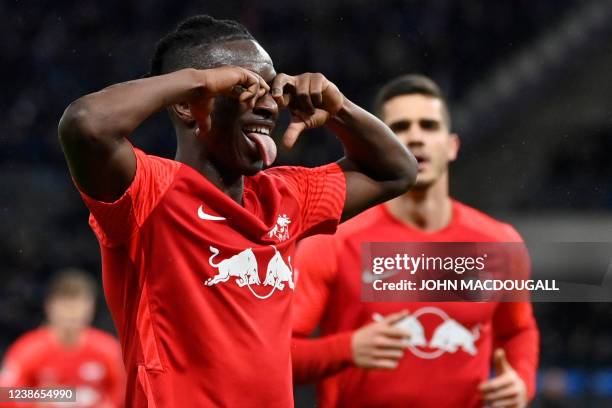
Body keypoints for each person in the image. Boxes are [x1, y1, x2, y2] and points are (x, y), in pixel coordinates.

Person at [57, 15, 416, 407]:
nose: (268, 106)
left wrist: (340, 107)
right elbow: (84, 124)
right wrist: (202, 81)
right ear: (186, 105)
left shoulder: (285, 196)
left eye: (270, 90)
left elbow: (396, 172)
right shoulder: (148, 192)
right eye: (243, 89)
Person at [292, 75, 539, 408]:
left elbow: (518, 332)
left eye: (428, 125)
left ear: (451, 145)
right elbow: (277, 351)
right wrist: (345, 349)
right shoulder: (332, 242)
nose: (416, 138)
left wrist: (521, 382)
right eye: (400, 127)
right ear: (378, 145)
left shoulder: (499, 244)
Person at [0, 269, 125, 408]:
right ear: (50, 307)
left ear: (91, 308)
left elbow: (126, 389)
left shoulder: (109, 350)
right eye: (66, 307)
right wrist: (40, 399)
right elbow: (5, 393)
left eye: (78, 307)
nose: (72, 314)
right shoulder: (27, 350)